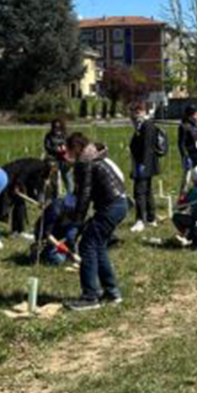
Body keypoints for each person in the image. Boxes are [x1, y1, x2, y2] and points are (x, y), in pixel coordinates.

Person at [64, 132, 129, 311]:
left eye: (68, 149)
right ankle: (112, 292)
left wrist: (77, 223)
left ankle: (90, 296)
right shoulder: (95, 157)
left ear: (76, 148)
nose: (66, 153)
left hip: (111, 207)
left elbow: (84, 195)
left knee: (87, 245)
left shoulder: (86, 163)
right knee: (98, 246)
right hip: (120, 204)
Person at [0, 157, 54, 239]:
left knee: (19, 203)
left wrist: (36, 201)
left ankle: (17, 230)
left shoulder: (39, 171)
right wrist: (17, 184)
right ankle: (18, 231)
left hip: (13, 177)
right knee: (19, 203)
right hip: (9, 176)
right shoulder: (38, 164)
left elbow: (30, 187)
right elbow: (24, 171)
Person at [129, 101, 161, 232]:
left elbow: (147, 148)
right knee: (147, 191)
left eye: (137, 112)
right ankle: (151, 218)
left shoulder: (147, 126)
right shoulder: (140, 126)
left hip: (144, 165)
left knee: (139, 192)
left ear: (143, 112)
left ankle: (140, 220)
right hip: (143, 164)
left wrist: (143, 165)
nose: (135, 116)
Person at [177, 105, 197, 193]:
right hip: (189, 155)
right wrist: (185, 156)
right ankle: (182, 198)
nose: (196, 115)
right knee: (187, 178)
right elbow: (181, 143)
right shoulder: (184, 126)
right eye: (195, 113)